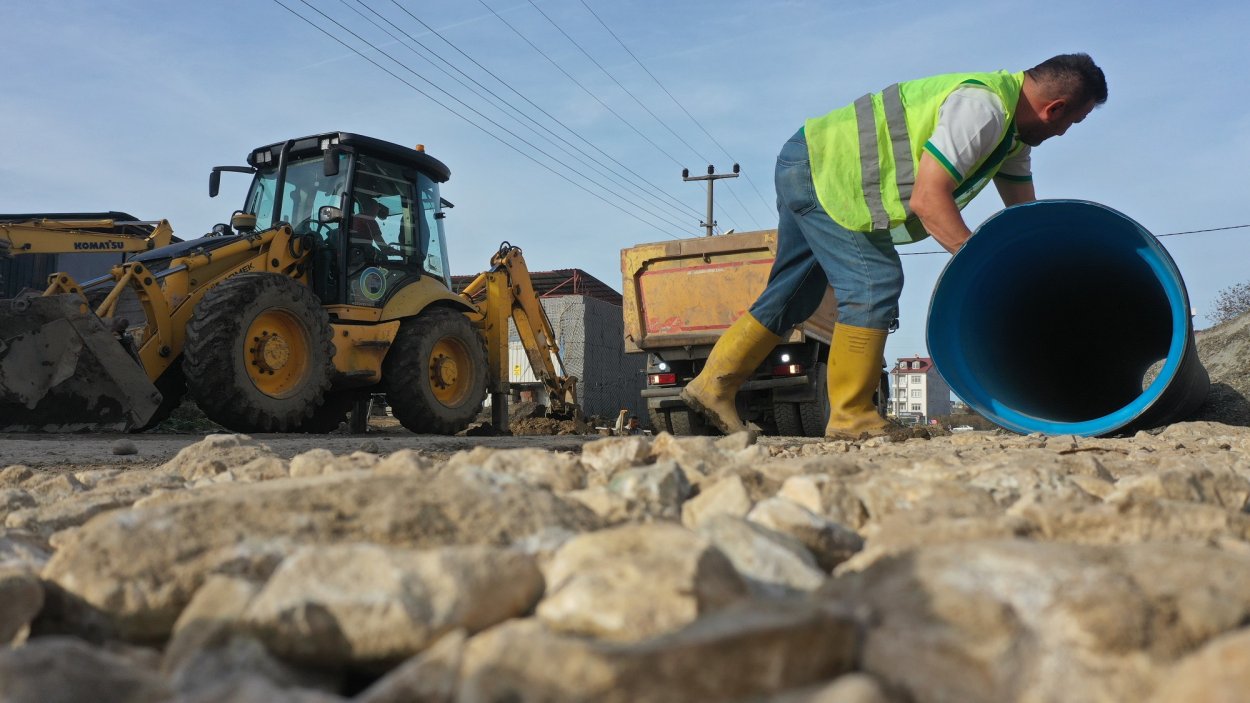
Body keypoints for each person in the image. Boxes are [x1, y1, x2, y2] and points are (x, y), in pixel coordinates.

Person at [681, 54, 1107, 439]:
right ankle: (851, 415)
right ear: (1056, 109)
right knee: (875, 282)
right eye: (1073, 122)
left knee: (795, 291)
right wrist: (984, 269)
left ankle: (712, 386)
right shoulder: (983, 109)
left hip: (809, 159)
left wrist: (1041, 272)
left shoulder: (1011, 138)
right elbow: (928, 199)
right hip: (827, 171)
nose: (1065, 133)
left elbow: (1024, 217)